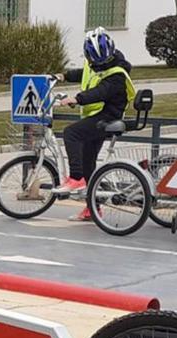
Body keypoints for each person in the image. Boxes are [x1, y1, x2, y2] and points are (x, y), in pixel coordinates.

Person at [53, 27, 135, 222]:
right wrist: (63, 76)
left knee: (71, 133)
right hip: (98, 116)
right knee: (88, 161)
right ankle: (93, 209)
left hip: (107, 117)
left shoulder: (117, 73)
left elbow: (100, 92)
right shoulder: (97, 64)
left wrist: (77, 99)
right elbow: (85, 73)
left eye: (103, 61)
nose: (99, 64)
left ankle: (76, 177)